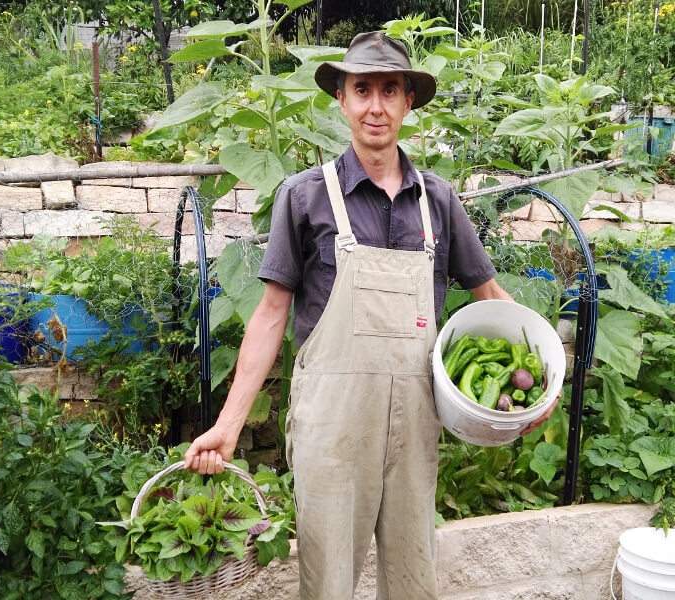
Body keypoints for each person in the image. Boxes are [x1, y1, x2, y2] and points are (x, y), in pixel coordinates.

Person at [184, 31, 557, 599]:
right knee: (328, 579)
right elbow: (269, 314)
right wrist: (230, 425)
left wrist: (542, 388)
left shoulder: (439, 201)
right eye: (362, 90)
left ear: (409, 100)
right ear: (342, 99)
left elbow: (491, 298)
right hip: (332, 425)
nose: (376, 106)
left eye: (390, 90)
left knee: (413, 579)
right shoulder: (304, 196)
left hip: (414, 423)